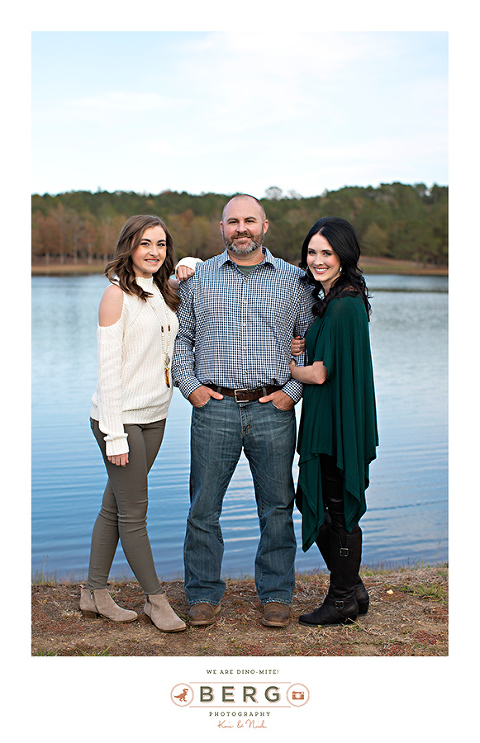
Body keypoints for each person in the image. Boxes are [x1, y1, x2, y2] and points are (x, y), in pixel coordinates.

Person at [172, 194, 314, 628]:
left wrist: (292, 391)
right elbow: (182, 340)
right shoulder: (200, 278)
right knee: (203, 507)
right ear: (222, 228)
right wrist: (191, 387)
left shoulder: (294, 280)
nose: (241, 229)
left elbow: (309, 342)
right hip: (213, 407)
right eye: (233, 222)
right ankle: (202, 594)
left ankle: (275, 593)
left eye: (249, 220)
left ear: (265, 226)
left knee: (276, 506)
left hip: (273, 409)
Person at [80, 215, 186, 632]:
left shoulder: (161, 292)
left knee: (115, 506)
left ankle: (93, 592)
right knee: (135, 515)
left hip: (156, 418)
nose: (154, 252)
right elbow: (108, 372)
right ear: (130, 246)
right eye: (145, 244)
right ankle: (156, 601)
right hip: (120, 421)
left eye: (161, 244)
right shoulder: (115, 296)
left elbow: (183, 275)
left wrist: (188, 264)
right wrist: (115, 435)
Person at [289, 216, 378, 626]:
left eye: (327, 252)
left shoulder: (342, 304)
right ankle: (352, 586)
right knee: (325, 505)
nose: (318, 260)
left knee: (334, 510)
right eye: (312, 251)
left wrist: (289, 367)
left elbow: (320, 373)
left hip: (335, 423)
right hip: (335, 418)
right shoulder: (336, 297)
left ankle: (342, 596)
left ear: (344, 255)